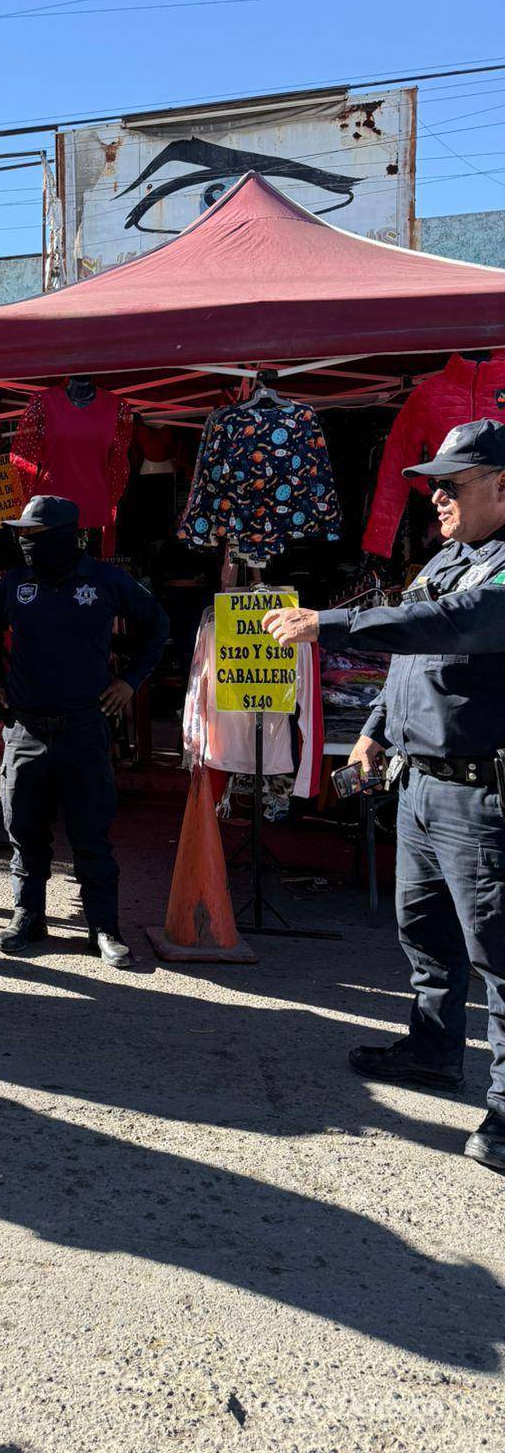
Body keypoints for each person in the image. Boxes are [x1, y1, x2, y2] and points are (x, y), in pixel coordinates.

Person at [264, 418, 505, 1176]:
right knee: (424, 937)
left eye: (452, 484)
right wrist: (375, 730)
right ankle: (434, 1055)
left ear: (503, 485)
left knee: (499, 959)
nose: (434, 497)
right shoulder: (450, 556)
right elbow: (414, 653)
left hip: (482, 798)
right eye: (432, 484)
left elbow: (456, 624)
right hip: (424, 788)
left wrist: (329, 624)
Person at [0, 495, 170, 966]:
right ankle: (27, 918)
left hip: (84, 728)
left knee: (91, 833)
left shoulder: (105, 580)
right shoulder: (15, 583)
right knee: (24, 829)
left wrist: (130, 681)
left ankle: (104, 928)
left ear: (65, 537)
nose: (24, 542)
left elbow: (158, 624)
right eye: (21, 534)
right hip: (26, 728)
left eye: (33, 535)